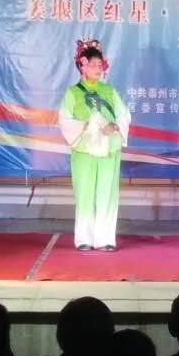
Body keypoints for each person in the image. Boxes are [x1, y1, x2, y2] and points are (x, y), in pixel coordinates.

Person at [58, 40, 130, 251]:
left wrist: (115, 126)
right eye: (93, 65)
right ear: (83, 66)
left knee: (107, 193)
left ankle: (105, 238)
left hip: (109, 148)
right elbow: (64, 119)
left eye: (100, 65)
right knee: (85, 193)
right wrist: (88, 126)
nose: (98, 69)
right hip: (84, 149)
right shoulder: (73, 93)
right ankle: (84, 238)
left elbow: (123, 114)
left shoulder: (109, 90)